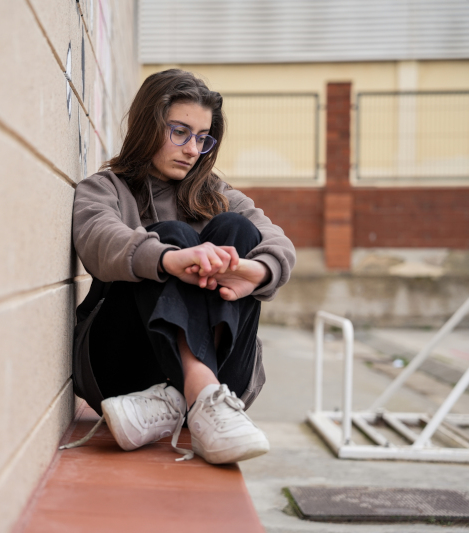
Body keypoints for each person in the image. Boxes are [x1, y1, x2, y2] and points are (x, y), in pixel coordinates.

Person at [64, 69, 296, 464]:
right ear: (148, 126)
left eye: (202, 138)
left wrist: (256, 273)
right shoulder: (105, 189)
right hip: (121, 370)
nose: (192, 148)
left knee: (236, 229)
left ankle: (183, 397)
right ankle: (200, 390)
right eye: (180, 132)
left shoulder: (218, 197)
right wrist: (169, 259)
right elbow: (97, 237)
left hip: (229, 379)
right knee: (170, 234)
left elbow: (278, 242)